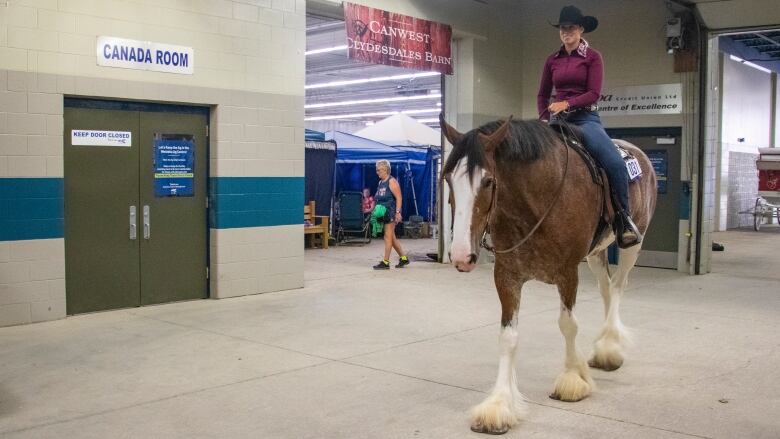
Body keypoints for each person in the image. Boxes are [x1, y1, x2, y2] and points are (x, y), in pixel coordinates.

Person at [537, 5, 642, 248]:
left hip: (585, 120)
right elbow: (542, 94)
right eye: (562, 28)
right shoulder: (552, 60)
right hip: (556, 121)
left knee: (615, 163)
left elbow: (594, 93)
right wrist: (543, 117)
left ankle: (623, 219)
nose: (566, 32)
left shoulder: (593, 57)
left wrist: (567, 103)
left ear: (581, 29)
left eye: (571, 28)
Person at [372, 160, 409, 269]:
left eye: (379, 170)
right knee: (391, 238)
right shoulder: (380, 183)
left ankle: (386, 262)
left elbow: (399, 197)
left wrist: (398, 212)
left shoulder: (392, 181)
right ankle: (403, 258)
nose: (377, 172)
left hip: (390, 212)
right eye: (376, 170)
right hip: (382, 213)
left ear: (385, 169)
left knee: (387, 236)